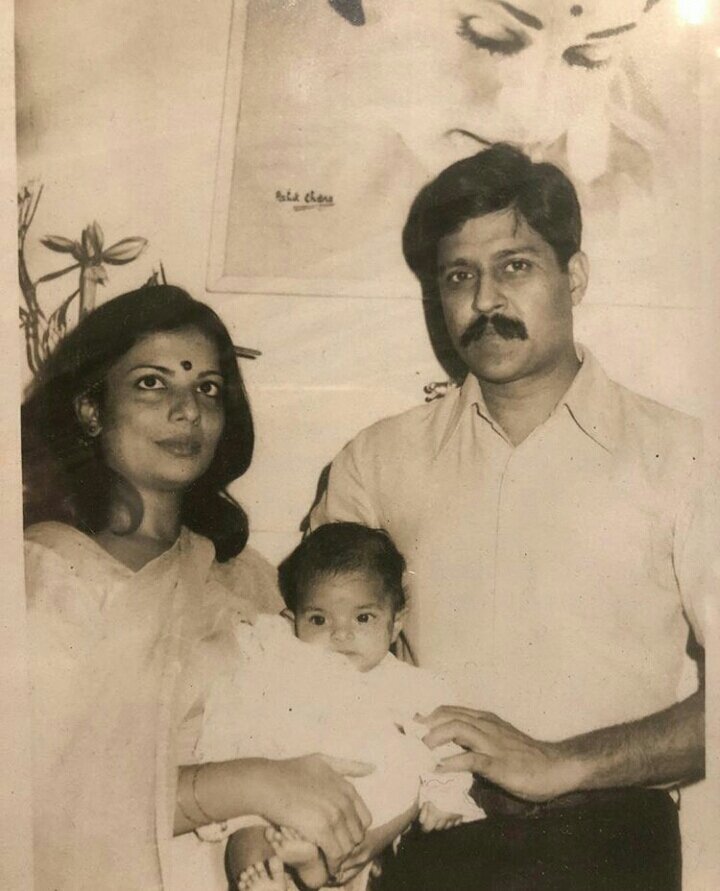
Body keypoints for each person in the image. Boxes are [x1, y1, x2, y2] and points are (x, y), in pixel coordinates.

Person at [310, 145, 712, 889]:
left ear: (574, 277)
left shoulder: (686, 456)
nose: (485, 300)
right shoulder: (377, 459)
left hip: (612, 847)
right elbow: (309, 670)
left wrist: (564, 763)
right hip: (426, 846)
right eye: (459, 276)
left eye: (515, 266)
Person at [22, 285, 376, 891]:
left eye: (208, 388)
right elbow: (34, 794)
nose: (188, 410)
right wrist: (251, 782)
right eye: (152, 383)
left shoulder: (248, 578)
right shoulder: (41, 574)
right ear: (90, 410)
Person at [196, 522, 483, 891]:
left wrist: (444, 799)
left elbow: (448, 751)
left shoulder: (416, 686)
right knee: (247, 832)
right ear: (293, 621)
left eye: (363, 618)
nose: (341, 634)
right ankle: (271, 878)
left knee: (408, 779)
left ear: (395, 623)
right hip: (286, 798)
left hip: (368, 811)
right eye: (319, 619)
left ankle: (315, 867)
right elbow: (238, 708)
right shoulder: (281, 661)